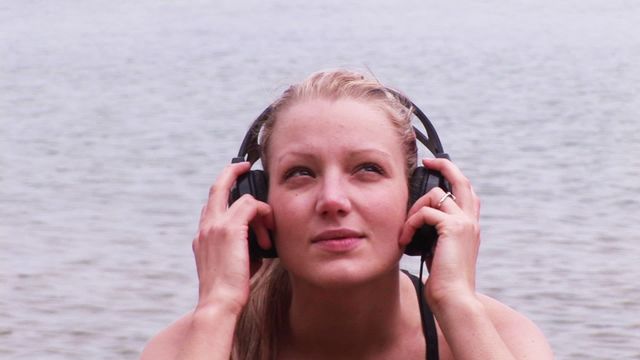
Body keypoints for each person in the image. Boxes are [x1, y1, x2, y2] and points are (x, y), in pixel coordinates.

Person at [141, 70, 553, 359]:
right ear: (255, 203)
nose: (333, 200)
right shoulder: (190, 347)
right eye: (300, 173)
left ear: (420, 197)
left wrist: (457, 302)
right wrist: (217, 308)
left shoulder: (502, 341)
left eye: (367, 170)